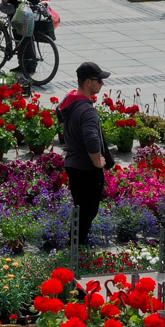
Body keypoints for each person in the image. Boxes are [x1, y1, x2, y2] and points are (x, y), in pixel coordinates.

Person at [57, 61, 111, 247]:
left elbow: (61, 119)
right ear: (88, 82)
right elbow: (91, 139)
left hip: (73, 164)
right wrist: (98, 162)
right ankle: (77, 248)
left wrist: (70, 140)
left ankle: (74, 243)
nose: (102, 84)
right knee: (88, 210)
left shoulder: (69, 101)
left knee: (80, 209)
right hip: (86, 167)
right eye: (99, 80)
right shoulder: (87, 110)